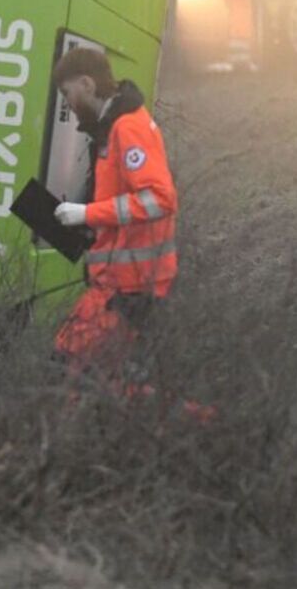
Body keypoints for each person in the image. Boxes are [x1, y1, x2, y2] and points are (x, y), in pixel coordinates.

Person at [48, 47, 208, 419]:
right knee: (101, 381)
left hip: (130, 288)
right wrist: (87, 224)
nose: (69, 105)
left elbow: (160, 199)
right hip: (121, 285)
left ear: (87, 84)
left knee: (72, 370)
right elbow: (126, 206)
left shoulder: (127, 127)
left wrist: (86, 213)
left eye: (69, 94)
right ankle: (187, 429)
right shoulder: (116, 127)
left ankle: (196, 426)